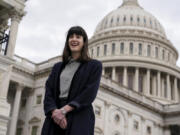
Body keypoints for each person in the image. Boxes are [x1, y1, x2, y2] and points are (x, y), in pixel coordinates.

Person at [41, 26, 102, 135]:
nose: (74, 39)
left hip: (79, 116)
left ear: (84, 42)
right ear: (67, 41)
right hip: (54, 117)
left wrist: (64, 110)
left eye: (78, 37)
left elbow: (89, 93)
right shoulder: (57, 67)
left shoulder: (94, 66)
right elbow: (49, 91)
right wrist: (55, 111)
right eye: (71, 37)